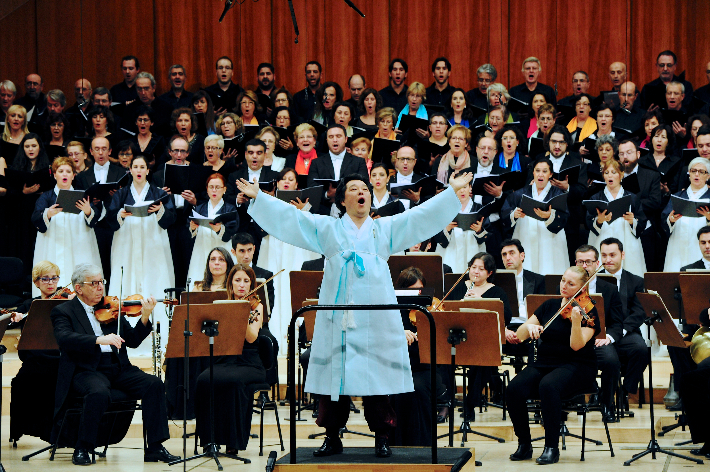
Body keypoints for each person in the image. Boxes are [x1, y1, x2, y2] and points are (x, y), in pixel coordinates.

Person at [236, 168, 473, 458]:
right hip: (338, 317)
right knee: (334, 378)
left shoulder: (383, 229)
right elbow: (293, 219)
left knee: (378, 379)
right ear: (342, 200)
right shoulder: (328, 229)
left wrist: (451, 193)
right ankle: (332, 436)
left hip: (376, 317)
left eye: (365, 189)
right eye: (354, 189)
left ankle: (382, 436)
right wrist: (259, 198)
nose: (362, 192)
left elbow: (419, 218)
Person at [50, 263, 178, 465]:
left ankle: (155, 447)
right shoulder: (64, 311)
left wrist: (145, 315)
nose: (100, 287)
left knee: (153, 384)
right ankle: (83, 447)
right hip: (87, 369)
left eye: (102, 282)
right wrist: (99, 340)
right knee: (98, 392)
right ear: (79, 288)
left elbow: (133, 341)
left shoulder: (110, 308)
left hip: (118, 367)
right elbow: (64, 338)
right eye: (94, 283)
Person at [507, 266, 600, 464]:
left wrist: (576, 323)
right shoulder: (549, 306)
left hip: (577, 365)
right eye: (563, 280)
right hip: (545, 363)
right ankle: (524, 444)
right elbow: (519, 336)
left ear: (583, 287)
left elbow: (576, 347)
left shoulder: (589, 312)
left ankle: (551, 448)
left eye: (571, 283)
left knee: (548, 385)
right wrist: (529, 326)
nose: (564, 286)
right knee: (514, 389)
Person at [106, 155, 176, 354]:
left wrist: (161, 210)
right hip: (126, 243)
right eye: (135, 166)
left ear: (147, 170)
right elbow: (110, 220)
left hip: (153, 243)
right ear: (130, 170)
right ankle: (125, 333)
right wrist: (120, 214)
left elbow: (170, 220)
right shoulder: (121, 194)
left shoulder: (159, 193)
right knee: (126, 277)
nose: (138, 170)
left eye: (142, 166)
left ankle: (158, 332)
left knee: (154, 277)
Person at [194, 264, 267, 454]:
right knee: (204, 379)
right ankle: (210, 441)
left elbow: (251, 337)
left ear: (251, 284)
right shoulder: (221, 304)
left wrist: (240, 313)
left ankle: (233, 442)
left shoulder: (256, 306)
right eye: (237, 280)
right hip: (225, 359)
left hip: (249, 362)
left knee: (234, 382)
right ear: (231, 283)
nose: (241, 285)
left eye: (246, 281)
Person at [256, 167, 321, 344]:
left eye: (291, 179)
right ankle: (276, 332)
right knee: (277, 282)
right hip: (275, 246)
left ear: (296, 183)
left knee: (295, 282)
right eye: (283, 179)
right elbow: (259, 227)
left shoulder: (305, 203)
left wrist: (304, 211)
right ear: (277, 183)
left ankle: (300, 333)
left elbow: (315, 228)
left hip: (297, 247)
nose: (287, 182)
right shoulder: (270, 202)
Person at [450, 252, 513, 415]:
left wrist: (480, 301)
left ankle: (470, 404)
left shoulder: (496, 292)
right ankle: (445, 402)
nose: (475, 272)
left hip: (484, 341)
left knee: (482, 359)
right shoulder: (459, 287)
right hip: (460, 340)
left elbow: (506, 316)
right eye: (473, 268)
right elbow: (447, 311)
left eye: (481, 269)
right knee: (442, 357)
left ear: (489, 273)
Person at [390, 266, 446, 446]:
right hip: (398, 365)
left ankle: (423, 443)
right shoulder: (392, 310)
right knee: (395, 388)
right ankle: (395, 442)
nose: (415, 296)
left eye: (419, 290)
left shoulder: (431, 309)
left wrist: (429, 333)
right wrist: (399, 332)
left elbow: (443, 339)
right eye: (410, 291)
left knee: (417, 387)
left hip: (425, 367)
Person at [31, 156, 102, 296]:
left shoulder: (83, 196)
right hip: (52, 243)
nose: (64, 174)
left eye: (68, 171)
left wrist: (88, 211)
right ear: (55, 174)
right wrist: (48, 214)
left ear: (73, 175)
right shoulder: (46, 197)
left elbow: (95, 220)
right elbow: (35, 218)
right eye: (61, 170)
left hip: (79, 244)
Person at [598, 237, 649, 418]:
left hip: (626, 331)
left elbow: (639, 312)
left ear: (622, 255)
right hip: (599, 332)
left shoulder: (636, 281)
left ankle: (624, 392)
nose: (608, 259)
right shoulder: (592, 280)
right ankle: (603, 397)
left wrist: (619, 332)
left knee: (641, 349)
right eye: (604, 255)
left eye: (612, 255)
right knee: (608, 356)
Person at [502, 158, 569, 275]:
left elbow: (564, 217)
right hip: (525, 235)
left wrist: (549, 216)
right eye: (537, 171)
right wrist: (514, 214)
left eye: (544, 171)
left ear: (550, 174)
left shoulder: (557, 193)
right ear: (533, 172)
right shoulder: (520, 193)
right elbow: (505, 212)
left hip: (550, 239)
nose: (540, 174)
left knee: (550, 268)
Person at [585, 159, 647, 276]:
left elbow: (642, 220)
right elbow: (588, 220)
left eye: (614, 172)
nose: (610, 176)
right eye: (606, 172)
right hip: (601, 237)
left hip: (626, 238)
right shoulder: (595, 197)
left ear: (621, 174)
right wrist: (599, 220)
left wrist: (632, 220)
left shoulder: (632, 197)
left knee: (628, 271)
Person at [2, 133, 51, 275]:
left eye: (34, 146)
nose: (30, 149)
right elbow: (8, 194)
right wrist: (23, 192)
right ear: (22, 148)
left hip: (40, 213)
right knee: (23, 247)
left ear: (40, 148)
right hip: (21, 215)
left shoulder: (47, 167)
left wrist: (43, 193)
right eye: (27, 146)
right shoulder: (16, 167)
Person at [186, 173, 238, 286]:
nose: (214, 190)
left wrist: (220, 229)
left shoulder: (230, 209)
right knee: (200, 277)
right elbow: (188, 230)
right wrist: (192, 228)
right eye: (211, 187)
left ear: (224, 189)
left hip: (222, 248)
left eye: (218, 187)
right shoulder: (199, 209)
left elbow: (233, 229)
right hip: (201, 248)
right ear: (207, 190)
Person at [307, 124, 368, 215]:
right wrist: (327, 194)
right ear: (327, 140)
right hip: (323, 212)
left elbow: (365, 186)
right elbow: (311, 188)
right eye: (331, 137)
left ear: (346, 139)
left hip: (351, 211)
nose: (335, 139)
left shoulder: (358, 162)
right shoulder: (316, 163)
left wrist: (343, 194)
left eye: (338, 136)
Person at [662, 157, 710, 271]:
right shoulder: (678, 196)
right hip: (678, 244)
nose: (696, 174)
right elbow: (664, 219)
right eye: (693, 171)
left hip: (702, 246)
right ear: (689, 174)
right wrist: (671, 220)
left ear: (708, 176)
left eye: (701, 172)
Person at [500, 239, 546, 348]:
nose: (508, 258)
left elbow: (542, 311)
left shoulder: (539, 280)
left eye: (512, 253)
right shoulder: (495, 281)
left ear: (522, 256)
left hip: (530, 325)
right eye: (504, 254)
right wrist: (504, 330)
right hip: (505, 326)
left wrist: (527, 328)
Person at [433, 182, 486, 273]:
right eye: (458, 187)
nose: (462, 191)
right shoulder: (445, 209)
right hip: (451, 250)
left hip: (472, 248)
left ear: (470, 188)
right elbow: (438, 238)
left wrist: (479, 230)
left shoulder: (479, 208)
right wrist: (447, 228)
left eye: (465, 187)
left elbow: (488, 236)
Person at [230, 232, 275, 312]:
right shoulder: (228, 274)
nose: (246, 256)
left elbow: (267, 310)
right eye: (242, 251)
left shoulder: (266, 275)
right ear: (233, 252)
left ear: (254, 249)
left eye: (249, 250)